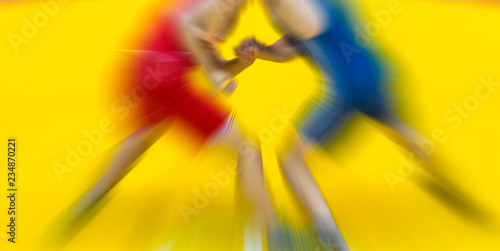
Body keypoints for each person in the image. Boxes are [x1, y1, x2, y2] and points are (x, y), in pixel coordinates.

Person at [235, 0, 487, 249]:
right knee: (398, 129)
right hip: (371, 73)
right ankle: (444, 176)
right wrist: (263, 51)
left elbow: (301, 34)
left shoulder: (290, 8)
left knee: (292, 160)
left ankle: (330, 240)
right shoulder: (310, 8)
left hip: (345, 91)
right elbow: (296, 45)